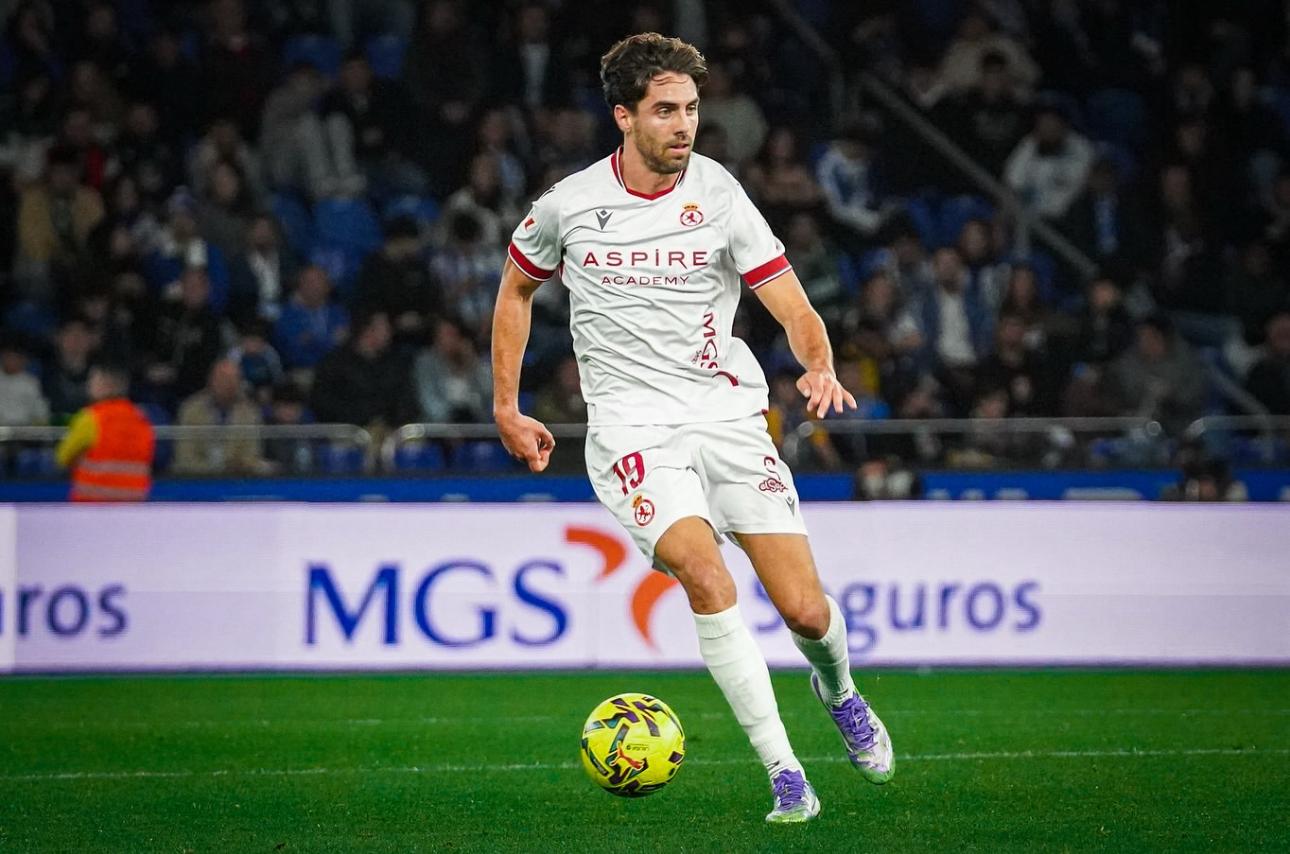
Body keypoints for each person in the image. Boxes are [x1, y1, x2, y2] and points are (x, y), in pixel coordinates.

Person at [491, 33, 892, 825]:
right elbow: (514, 293)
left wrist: (818, 363)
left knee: (807, 612)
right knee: (706, 579)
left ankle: (840, 691)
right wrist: (507, 405)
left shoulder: (719, 193)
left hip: (729, 420)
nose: (685, 125)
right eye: (666, 110)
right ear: (624, 117)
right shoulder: (567, 206)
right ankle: (785, 773)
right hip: (634, 434)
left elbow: (791, 302)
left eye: (693, 109)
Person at [54, 362, 154, 501]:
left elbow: (62, 457)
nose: (88, 385)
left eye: (92, 380)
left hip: (93, 506)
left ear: (105, 385)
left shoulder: (91, 418)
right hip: (132, 506)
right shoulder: (140, 418)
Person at [173, 358, 267, 475]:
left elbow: (251, 455)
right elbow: (185, 456)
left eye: (234, 379)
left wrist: (235, 468)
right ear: (211, 381)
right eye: (223, 379)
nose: (229, 384)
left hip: (237, 481)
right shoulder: (191, 410)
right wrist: (213, 471)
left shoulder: (250, 413)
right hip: (196, 480)